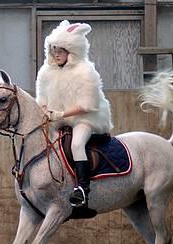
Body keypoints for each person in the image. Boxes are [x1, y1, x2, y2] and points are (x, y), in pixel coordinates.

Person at [35, 20, 113, 210]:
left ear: (72, 51)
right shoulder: (46, 72)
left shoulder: (86, 71)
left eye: (60, 50)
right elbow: (42, 99)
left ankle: (83, 190)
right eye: (54, 49)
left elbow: (88, 105)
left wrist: (61, 114)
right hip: (57, 121)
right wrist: (46, 111)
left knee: (77, 144)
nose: (56, 53)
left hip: (85, 119)